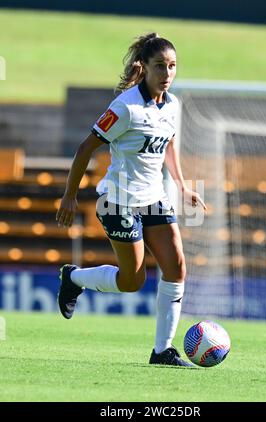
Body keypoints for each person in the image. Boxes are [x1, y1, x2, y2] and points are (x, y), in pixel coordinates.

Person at [56, 33, 206, 367]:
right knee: (131, 281)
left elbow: (167, 144)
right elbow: (85, 148)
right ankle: (74, 278)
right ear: (145, 68)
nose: (167, 73)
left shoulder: (172, 105)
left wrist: (182, 186)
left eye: (172, 66)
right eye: (160, 66)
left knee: (177, 267)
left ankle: (162, 351)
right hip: (118, 202)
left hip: (154, 199)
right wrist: (69, 196)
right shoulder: (125, 107)